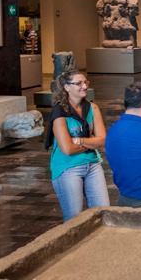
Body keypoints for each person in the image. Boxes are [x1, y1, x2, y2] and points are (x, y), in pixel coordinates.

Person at [45, 69, 109, 221]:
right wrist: (91, 141)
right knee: (74, 218)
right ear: (67, 87)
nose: (84, 86)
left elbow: (102, 140)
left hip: (92, 165)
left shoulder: (92, 108)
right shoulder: (59, 112)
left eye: (85, 82)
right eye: (79, 83)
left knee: (104, 213)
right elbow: (67, 149)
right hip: (68, 168)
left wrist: (79, 140)